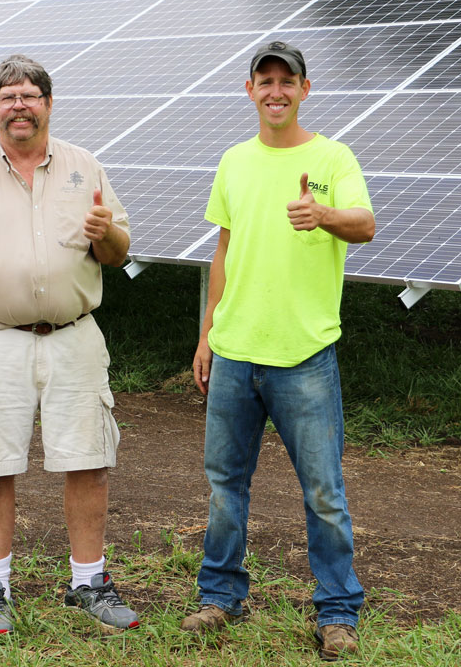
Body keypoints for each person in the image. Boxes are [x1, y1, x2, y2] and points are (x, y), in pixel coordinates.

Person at [0, 55, 138, 635]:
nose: (20, 105)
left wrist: (106, 234)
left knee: (88, 459)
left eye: (30, 95)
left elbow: (118, 253)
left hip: (74, 337)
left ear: (48, 103)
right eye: (8, 96)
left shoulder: (84, 166)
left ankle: (89, 582)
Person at [185, 41, 375, 660]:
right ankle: (218, 597)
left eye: (285, 81)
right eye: (263, 81)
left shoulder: (334, 156)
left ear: (304, 89)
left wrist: (321, 213)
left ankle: (337, 611)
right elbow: (223, 250)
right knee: (224, 486)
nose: (275, 91)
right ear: (249, 91)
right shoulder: (233, 162)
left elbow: (366, 225)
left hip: (305, 356)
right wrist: (207, 334)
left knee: (323, 491)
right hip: (236, 350)